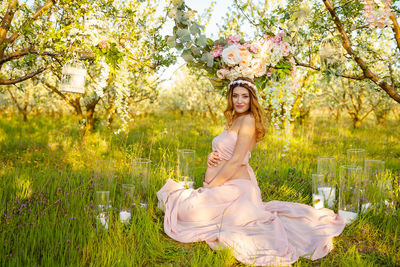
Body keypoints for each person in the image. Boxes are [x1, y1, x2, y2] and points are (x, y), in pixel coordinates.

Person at [157, 77, 345, 266]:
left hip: (237, 188)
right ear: (230, 98)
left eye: (245, 96)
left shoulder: (248, 120)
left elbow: (238, 160)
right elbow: (227, 151)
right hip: (225, 184)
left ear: (251, 99)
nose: (239, 101)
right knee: (186, 212)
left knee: (187, 213)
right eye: (235, 96)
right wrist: (211, 157)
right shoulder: (236, 119)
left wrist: (211, 185)